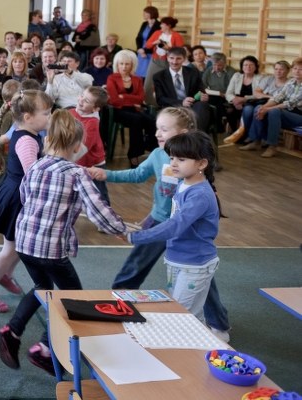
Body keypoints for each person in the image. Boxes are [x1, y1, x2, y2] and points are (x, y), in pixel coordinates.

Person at [0, 109, 126, 374]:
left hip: (25, 242)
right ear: (77, 146)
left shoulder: (37, 167)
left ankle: (11, 331)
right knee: (71, 298)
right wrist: (122, 230)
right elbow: (98, 211)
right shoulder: (76, 173)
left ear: (48, 140)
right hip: (50, 248)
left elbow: (24, 196)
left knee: (43, 286)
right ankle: (44, 348)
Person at [88, 107, 232, 341]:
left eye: (164, 129)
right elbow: (138, 176)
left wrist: (138, 234)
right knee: (134, 269)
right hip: (159, 222)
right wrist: (107, 175)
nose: (158, 133)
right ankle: (119, 306)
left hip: (180, 233)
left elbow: (179, 221)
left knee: (201, 280)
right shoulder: (158, 155)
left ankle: (217, 324)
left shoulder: (195, 178)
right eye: (157, 128)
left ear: (183, 132)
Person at [124, 131, 222, 321]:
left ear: (202, 163)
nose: (173, 163)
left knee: (180, 316)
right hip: (177, 259)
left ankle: (194, 346)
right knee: (188, 314)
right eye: (172, 158)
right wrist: (144, 225)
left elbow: (175, 226)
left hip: (194, 265)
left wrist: (134, 237)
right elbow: (172, 216)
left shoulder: (199, 195)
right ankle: (200, 345)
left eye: (182, 159)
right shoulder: (183, 184)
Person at [0, 90, 53, 312]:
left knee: (19, 246)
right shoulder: (27, 141)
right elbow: (32, 174)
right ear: (28, 117)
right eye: (46, 113)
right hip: (17, 197)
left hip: (17, 193)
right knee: (10, 249)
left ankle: (5, 275)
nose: (50, 117)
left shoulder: (29, 134)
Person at [240, 56, 302, 158]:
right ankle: (256, 141)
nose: (297, 71)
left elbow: (290, 103)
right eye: (295, 68)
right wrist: (263, 107)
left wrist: (267, 109)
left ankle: (272, 146)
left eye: (300, 69)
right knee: (259, 107)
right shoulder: (291, 82)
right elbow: (277, 98)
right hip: (286, 112)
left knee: (274, 111)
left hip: (298, 115)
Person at [107, 49, 155, 166]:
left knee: (152, 121)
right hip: (118, 110)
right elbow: (114, 100)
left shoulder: (137, 79)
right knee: (137, 120)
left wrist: (123, 96)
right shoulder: (112, 78)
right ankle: (134, 155)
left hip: (134, 109)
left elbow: (140, 98)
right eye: (121, 63)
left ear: (132, 65)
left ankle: (150, 147)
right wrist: (131, 99)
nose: (124, 67)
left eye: (127, 64)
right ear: (116, 64)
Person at [225, 59, 289, 145]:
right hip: (260, 101)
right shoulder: (269, 78)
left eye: (281, 69)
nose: (278, 71)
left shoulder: (290, 83)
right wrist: (270, 96)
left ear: (287, 71)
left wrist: (269, 99)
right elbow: (256, 92)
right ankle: (244, 134)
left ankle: (254, 138)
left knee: (258, 109)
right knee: (248, 109)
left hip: (275, 105)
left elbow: (283, 99)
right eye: (276, 69)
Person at [153, 47, 211, 132]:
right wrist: (181, 102)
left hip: (192, 106)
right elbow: (160, 99)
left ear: (184, 59)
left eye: (178, 58)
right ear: (167, 58)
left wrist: (202, 96)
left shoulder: (193, 72)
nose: (174, 62)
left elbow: (200, 91)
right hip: (172, 107)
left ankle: (196, 135)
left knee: (202, 105)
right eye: (171, 58)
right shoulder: (159, 76)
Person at [71, 86, 110, 204]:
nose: (81, 100)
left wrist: (65, 159)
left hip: (93, 165)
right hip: (77, 162)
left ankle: (108, 217)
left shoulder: (92, 123)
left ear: (95, 109)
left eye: (87, 101)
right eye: (82, 95)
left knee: (99, 195)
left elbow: (83, 148)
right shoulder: (70, 112)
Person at [135, 5, 162, 76]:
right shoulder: (144, 24)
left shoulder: (159, 25)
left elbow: (157, 41)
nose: (143, 15)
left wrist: (145, 51)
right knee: (139, 73)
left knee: (148, 74)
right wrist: (139, 49)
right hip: (141, 51)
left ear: (151, 13)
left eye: (145, 13)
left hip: (151, 52)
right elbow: (138, 38)